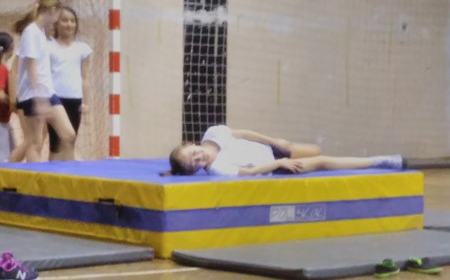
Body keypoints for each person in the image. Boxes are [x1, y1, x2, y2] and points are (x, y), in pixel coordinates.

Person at [167, 124, 404, 176]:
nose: (198, 158)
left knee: (315, 149)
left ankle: (284, 146)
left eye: (193, 154)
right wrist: (280, 163)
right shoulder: (217, 169)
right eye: (195, 164)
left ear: (190, 144)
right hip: (274, 167)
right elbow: (250, 172)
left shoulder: (214, 133)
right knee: (322, 160)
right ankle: (380, 161)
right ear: (197, 170)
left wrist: (275, 142)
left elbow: (246, 134)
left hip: (270, 149)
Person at [14, 0, 76, 162]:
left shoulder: (40, 32)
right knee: (35, 142)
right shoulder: (31, 32)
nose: (58, 20)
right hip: (34, 94)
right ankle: (32, 177)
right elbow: (31, 67)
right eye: (59, 15)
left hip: (47, 91)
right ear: (52, 10)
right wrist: (40, 99)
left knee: (69, 135)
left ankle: (68, 173)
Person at [47, 6, 92, 160]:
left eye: (72, 21)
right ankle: (51, 172)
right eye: (65, 20)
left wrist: (86, 102)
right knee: (55, 143)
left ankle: (68, 171)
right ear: (56, 23)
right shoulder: (49, 46)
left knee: (70, 141)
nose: (69, 24)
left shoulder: (82, 49)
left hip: (74, 98)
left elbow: (84, 77)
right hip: (54, 98)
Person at [0, 32, 15, 162]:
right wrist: (14, 103)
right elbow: (0, 95)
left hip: (4, 121)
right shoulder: (2, 69)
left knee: (13, 153)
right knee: (4, 159)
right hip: (1, 121)